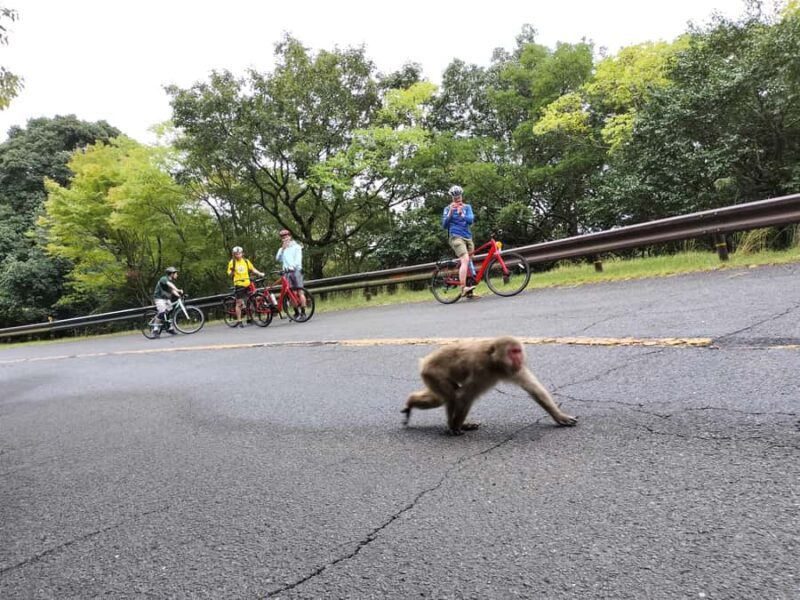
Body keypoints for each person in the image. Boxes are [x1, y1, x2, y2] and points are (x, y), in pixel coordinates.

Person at [441, 184, 477, 297]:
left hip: (468, 237)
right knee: (465, 259)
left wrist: (462, 214)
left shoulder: (467, 207)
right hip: (456, 237)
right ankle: (463, 287)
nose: (458, 199)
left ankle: (470, 292)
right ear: (452, 198)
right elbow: (444, 225)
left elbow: (471, 220)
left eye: (459, 197)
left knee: (469, 263)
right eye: (455, 197)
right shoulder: (447, 209)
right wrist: (451, 213)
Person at [226, 246, 265, 327]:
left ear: (242, 253)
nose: (238, 255)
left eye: (239, 253)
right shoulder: (232, 262)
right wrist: (232, 271)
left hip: (248, 283)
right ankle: (239, 321)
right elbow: (229, 274)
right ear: (234, 255)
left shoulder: (246, 261)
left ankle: (249, 318)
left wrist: (260, 273)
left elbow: (253, 269)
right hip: (239, 284)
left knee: (251, 301)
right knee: (239, 303)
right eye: (236, 254)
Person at [275, 229, 307, 319]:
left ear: (290, 236)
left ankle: (303, 313)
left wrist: (293, 266)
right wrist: (282, 249)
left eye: (286, 236)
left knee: (300, 292)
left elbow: (298, 259)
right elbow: (278, 259)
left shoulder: (296, 246)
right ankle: (296, 312)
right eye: (283, 237)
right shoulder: (282, 248)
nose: (285, 238)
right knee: (291, 293)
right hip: (286, 272)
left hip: (296, 270)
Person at [152, 266, 183, 336]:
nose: (177, 275)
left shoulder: (170, 281)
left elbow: (172, 290)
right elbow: (171, 286)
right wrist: (178, 290)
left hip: (166, 298)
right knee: (162, 313)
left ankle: (169, 328)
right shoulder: (164, 279)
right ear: (171, 274)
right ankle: (155, 329)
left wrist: (179, 296)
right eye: (176, 273)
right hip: (159, 298)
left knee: (169, 311)